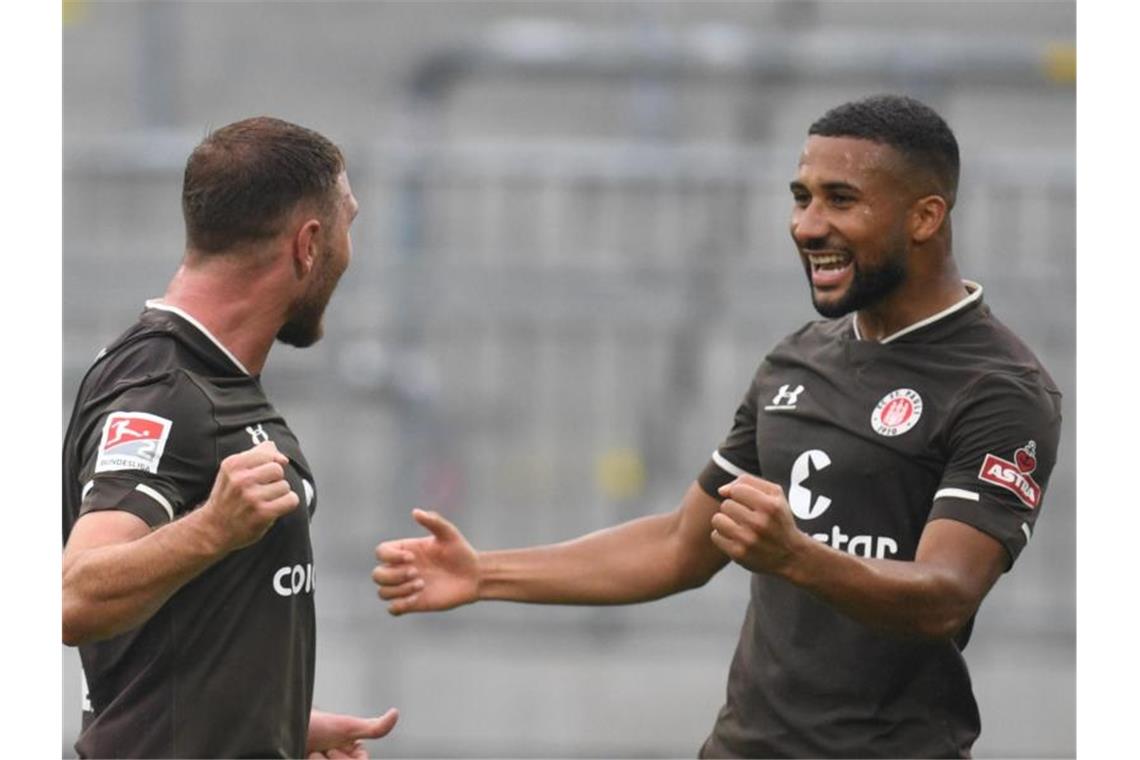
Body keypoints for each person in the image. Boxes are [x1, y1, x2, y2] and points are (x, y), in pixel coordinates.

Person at [372, 95, 1063, 758]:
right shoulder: (797, 360)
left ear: (925, 216)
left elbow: (945, 594)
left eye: (840, 200)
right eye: (802, 197)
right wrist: (484, 573)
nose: (807, 225)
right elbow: (680, 545)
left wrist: (799, 557)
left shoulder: (999, 389)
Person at [62, 116, 398, 758]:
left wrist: (277, 722)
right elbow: (76, 594)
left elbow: (177, 641)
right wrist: (213, 527)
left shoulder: (211, 377)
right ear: (307, 244)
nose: (349, 254)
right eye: (348, 226)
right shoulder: (163, 391)